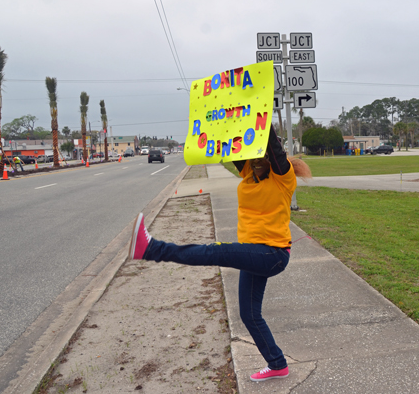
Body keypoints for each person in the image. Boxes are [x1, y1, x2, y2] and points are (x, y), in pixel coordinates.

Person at [129, 125, 311, 382]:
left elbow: (271, 142)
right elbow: (230, 138)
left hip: (272, 253)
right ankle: (277, 364)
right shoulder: (248, 172)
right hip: (252, 252)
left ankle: (150, 248)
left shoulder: (283, 176)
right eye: (253, 154)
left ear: (269, 157)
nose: (256, 159)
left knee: (216, 252)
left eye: (262, 155)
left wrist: (259, 106)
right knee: (249, 314)